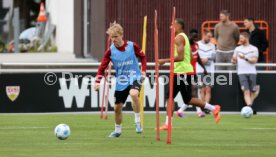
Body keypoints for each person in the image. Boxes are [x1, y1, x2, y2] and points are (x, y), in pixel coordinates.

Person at [158, 18, 221, 130]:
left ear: (178, 26)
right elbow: (191, 56)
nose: (170, 27)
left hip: (181, 72)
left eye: (172, 25)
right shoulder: (184, 37)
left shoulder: (179, 38)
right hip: (181, 71)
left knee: (178, 97)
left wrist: (165, 60)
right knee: (176, 97)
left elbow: (181, 57)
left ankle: (213, 108)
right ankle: (168, 124)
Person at [94, 23, 147, 138]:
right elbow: (102, 67)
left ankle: (138, 121)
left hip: (135, 77)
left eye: (115, 36)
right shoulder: (110, 51)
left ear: (121, 35)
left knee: (134, 94)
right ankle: (117, 131)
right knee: (117, 108)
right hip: (121, 81)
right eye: (111, 37)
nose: (113, 39)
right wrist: (97, 81)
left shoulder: (132, 46)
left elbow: (142, 56)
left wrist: (144, 71)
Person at [176, 29, 208, 118]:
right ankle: (198, 111)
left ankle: (180, 111)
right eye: (193, 36)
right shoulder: (185, 45)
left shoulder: (196, 45)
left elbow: (197, 57)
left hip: (193, 71)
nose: (194, 38)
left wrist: (204, 68)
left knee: (192, 92)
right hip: (185, 71)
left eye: (196, 37)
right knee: (194, 90)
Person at [231, 32, 260, 114]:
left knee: (253, 91)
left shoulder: (254, 48)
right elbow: (233, 61)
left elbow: (254, 60)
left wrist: (245, 58)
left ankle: (249, 107)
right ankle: (250, 107)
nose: (240, 40)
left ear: (246, 38)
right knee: (246, 91)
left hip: (252, 72)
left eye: (241, 38)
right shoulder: (237, 49)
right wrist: (233, 60)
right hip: (241, 73)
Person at [196, 30, 216, 113]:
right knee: (201, 89)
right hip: (199, 69)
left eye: (210, 37)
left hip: (209, 70)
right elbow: (194, 56)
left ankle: (207, 107)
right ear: (204, 35)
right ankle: (202, 107)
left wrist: (207, 59)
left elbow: (214, 57)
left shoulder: (212, 46)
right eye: (208, 36)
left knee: (208, 89)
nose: (209, 38)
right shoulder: (197, 44)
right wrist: (201, 60)